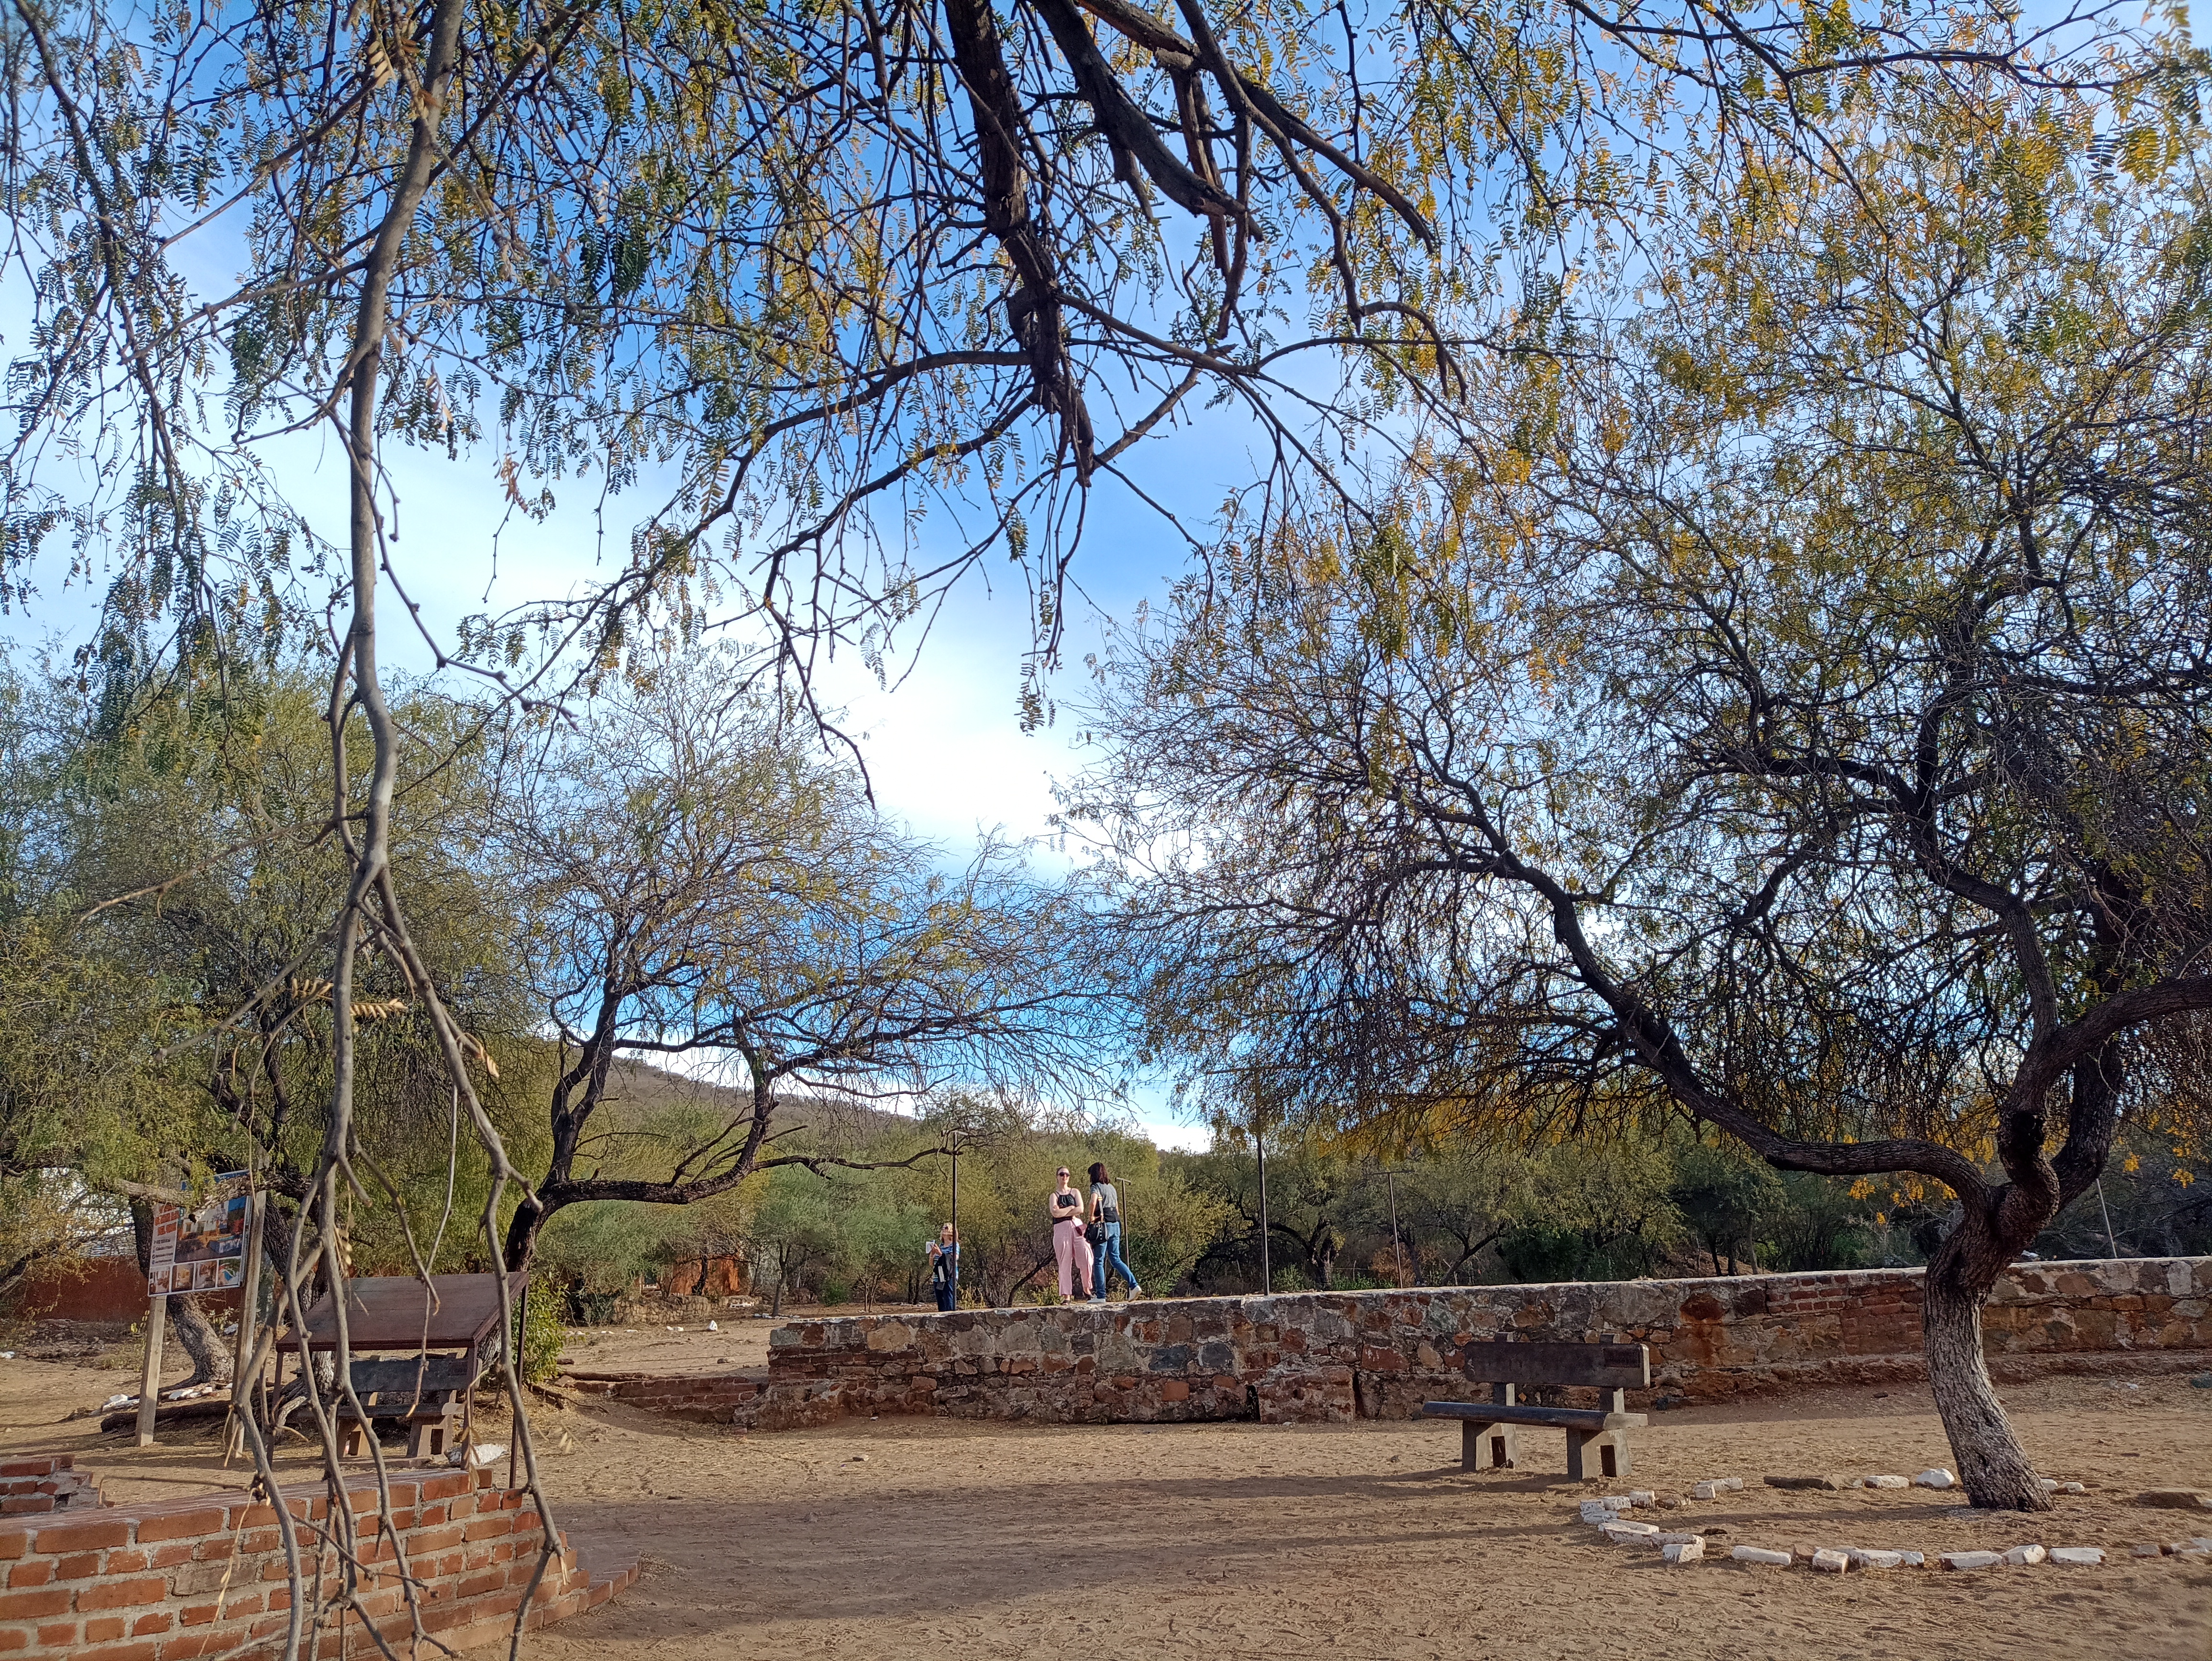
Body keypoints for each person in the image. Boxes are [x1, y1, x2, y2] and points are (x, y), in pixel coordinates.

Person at [1087, 1161, 1141, 1300]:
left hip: (1104, 1225)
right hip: (1116, 1224)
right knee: (1116, 1259)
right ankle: (1134, 1285)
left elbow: (1093, 1202)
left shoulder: (1096, 1187)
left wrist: (1091, 1217)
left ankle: (1101, 1296)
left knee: (1099, 1261)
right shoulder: (1112, 1188)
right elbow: (1117, 1209)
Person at [1049, 1167, 1094, 1300]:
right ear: (1057, 1176)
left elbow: (1080, 1209)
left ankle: (1087, 1288)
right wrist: (1070, 1208)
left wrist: (1064, 1210)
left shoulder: (1075, 1192)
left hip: (1077, 1227)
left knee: (1087, 1258)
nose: (1065, 1176)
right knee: (1064, 1262)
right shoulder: (1054, 1196)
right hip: (1061, 1229)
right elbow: (1055, 1214)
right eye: (1062, 1174)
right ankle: (1066, 1296)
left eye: (1067, 1174)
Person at [927, 1223, 960, 1312]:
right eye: (943, 1228)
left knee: (949, 1299)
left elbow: (953, 1260)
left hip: (949, 1276)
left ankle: (951, 1320)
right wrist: (933, 1254)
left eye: (946, 1228)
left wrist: (940, 1253)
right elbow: (932, 1264)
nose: (943, 1229)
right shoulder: (940, 1246)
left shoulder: (954, 1245)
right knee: (941, 1301)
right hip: (938, 1276)